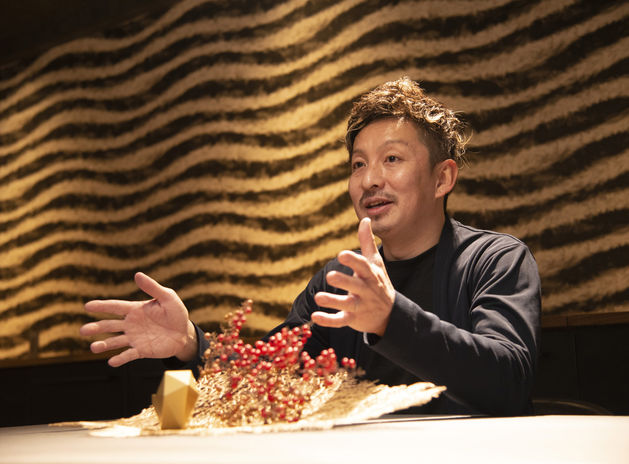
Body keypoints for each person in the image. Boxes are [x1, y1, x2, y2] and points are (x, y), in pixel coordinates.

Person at [80, 77, 541, 416]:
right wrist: (190, 344)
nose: (370, 179)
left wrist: (391, 318)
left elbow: (509, 381)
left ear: (442, 178)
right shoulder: (337, 282)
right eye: (358, 164)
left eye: (391, 159)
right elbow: (272, 379)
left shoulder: (496, 260)